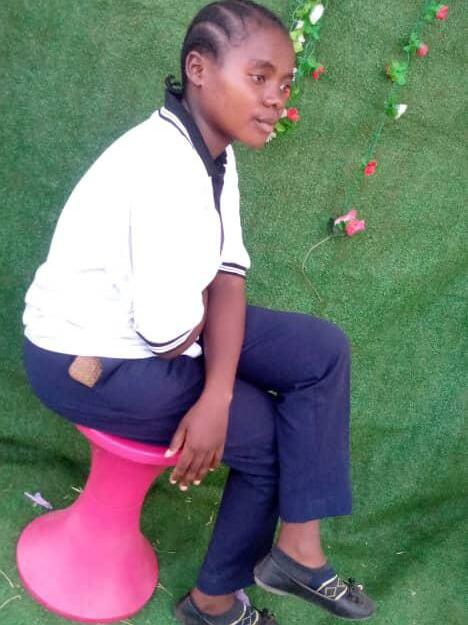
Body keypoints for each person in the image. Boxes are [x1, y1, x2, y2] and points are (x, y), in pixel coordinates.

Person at [22, 1, 376, 624]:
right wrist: (219, 395)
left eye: (285, 84)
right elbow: (168, 335)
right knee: (267, 432)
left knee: (322, 351)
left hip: (160, 328)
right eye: (259, 77)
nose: (277, 99)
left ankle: (298, 548)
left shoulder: (212, 152)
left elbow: (228, 276)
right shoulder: (162, 168)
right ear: (199, 69)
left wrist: (218, 389)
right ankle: (213, 604)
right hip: (89, 357)